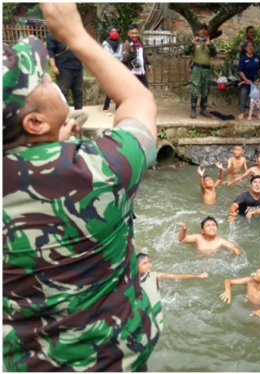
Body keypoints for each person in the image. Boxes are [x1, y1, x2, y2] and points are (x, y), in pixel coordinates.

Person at [3, 3, 159, 371]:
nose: (51, 80)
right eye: (42, 80)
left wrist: (54, 146)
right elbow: (139, 100)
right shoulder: (93, 169)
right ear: (36, 122)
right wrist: (75, 35)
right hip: (110, 359)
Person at [185, 24, 217, 118]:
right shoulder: (195, 42)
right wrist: (192, 44)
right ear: (198, 31)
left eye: (205, 30)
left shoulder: (209, 43)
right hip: (197, 69)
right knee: (195, 89)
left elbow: (214, 53)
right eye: (201, 30)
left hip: (207, 70)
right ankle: (193, 110)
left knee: (206, 90)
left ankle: (203, 110)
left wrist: (209, 45)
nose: (203, 31)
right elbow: (186, 52)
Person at [46, 31, 83, 110]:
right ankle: (62, 117)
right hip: (63, 68)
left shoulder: (74, 32)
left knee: (78, 92)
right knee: (62, 93)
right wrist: (53, 66)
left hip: (77, 67)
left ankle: (79, 113)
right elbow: (50, 51)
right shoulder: (52, 34)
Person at [237, 40, 260, 120]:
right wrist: (245, 80)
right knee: (243, 95)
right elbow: (239, 71)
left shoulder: (257, 57)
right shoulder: (243, 58)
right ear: (245, 48)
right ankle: (242, 112)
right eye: (248, 46)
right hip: (245, 81)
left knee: (254, 97)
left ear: (254, 47)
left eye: (252, 46)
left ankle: (251, 111)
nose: (250, 48)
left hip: (254, 83)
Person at [101, 26, 123, 116]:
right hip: (109, 68)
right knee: (111, 88)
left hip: (119, 68)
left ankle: (118, 108)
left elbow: (121, 55)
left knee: (119, 89)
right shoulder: (105, 43)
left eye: (116, 31)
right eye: (112, 31)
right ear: (108, 32)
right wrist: (116, 57)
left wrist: (116, 57)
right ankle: (106, 108)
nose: (114, 33)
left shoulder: (119, 44)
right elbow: (107, 56)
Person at [137, 253, 208, 280]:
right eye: (145, 263)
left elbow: (176, 276)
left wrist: (197, 276)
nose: (149, 265)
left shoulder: (156, 275)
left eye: (150, 262)